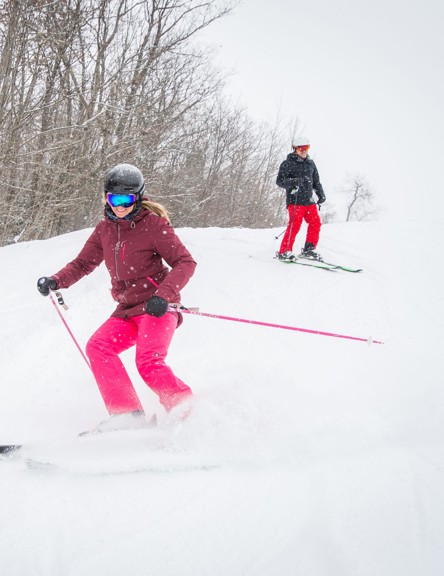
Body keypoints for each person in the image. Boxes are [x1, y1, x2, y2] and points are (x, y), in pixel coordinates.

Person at [37, 164, 197, 432]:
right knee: (99, 347)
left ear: (138, 197)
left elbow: (185, 262)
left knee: (148, 362)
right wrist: (57, 280)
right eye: (114, 199)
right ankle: (127, 416)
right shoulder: (105, 229)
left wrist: (163, 295)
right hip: (127, 309)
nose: (119, 206)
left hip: (157, 308)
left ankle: (188, 415)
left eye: (126, 200)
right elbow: (83, 263)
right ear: (106, 198)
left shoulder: (154, 226)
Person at [276, 136, 326, 261]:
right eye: (301, 148)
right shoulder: (287, 163)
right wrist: (294, 181)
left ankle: (309, 249)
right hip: (295, 200)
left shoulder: (310, 163)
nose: (304, 150)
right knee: (295, 225)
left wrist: (321, 194)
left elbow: (316, 181)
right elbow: (280, 181)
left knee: (315, 223)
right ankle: (284, 252)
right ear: (295, 149)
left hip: (309, 201)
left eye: (306, 147)